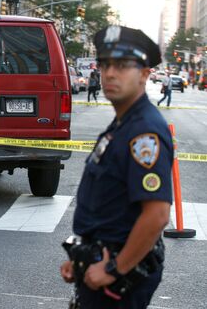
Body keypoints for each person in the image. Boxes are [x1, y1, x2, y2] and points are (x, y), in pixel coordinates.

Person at [60, 25, 172, 308]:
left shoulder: (144, 132)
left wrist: (114, 269)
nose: (109, 73)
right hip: (99, 259)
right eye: (106, 64)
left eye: (122, 65)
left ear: (145, 74)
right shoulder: (123, 122)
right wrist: (82, 260)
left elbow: (157, 214)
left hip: (120, 276)